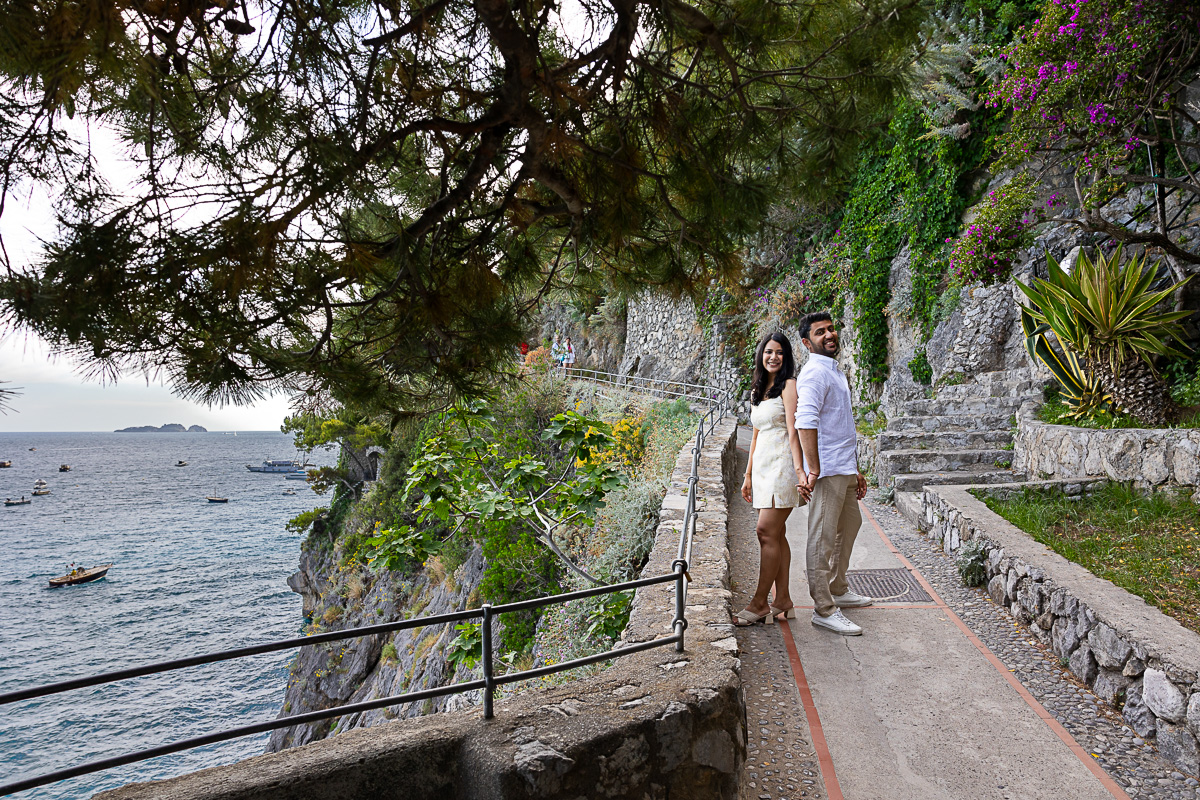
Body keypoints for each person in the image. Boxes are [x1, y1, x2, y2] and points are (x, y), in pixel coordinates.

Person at [795, 311, 873, 636]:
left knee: (850, 525)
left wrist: (856, 469)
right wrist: (813, 468)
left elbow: (842, 426)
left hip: (844, 468)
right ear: (806, 342)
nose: (829, 335)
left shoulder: (834, 371)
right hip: (826, 471)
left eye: (830, 329)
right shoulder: (814, 373)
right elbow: (805, 422)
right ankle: (823, 609)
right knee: (822, 539)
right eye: (819, 332)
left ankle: (838, 587)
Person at [734, 332, 810, 626]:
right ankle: (784, 600)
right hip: (763, 466)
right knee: (777, 535)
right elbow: (755, 434)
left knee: (765, 531)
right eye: (768, 352)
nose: (773, 357)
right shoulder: (758, 388)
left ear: (786, 356)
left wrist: (801, 471)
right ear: (760, 355)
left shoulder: (788, 386)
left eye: (779, 352)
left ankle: (759, 602)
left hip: (783, 466)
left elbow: (794, 430)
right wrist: (748, 474)